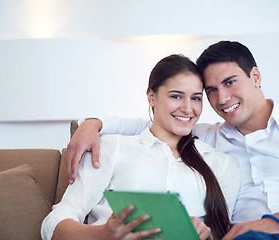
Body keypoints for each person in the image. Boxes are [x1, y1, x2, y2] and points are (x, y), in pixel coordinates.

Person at [64, 41, 279, 240]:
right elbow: (157, 123)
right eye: (212, 90)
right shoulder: (207, 137)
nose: (223, 98)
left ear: (256, 77)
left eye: (230, 82)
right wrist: (94, 124)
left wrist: (278, 222)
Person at [41, 54, 240, 240]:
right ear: (151, 97)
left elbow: (226, 232)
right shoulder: (112, 148)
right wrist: (102, 234)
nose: (188, 108)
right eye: (176, 96)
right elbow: (54, 222)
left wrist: (207, 235)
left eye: (196, 98)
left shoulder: (221, 164)